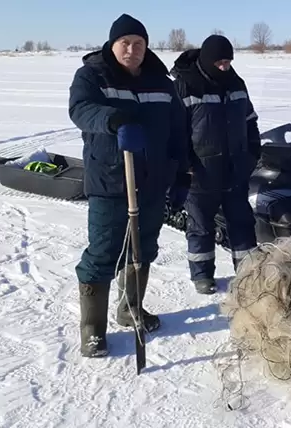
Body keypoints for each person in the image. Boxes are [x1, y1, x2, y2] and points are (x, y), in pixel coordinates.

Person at [67, 13, 190, 357]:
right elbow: (80, 109)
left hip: (152, 182)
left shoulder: (162, 83)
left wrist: (182, 173)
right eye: (125, 43)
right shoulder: (93, 75)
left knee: (142, 249)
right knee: (104, 252)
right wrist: (113, 118)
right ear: (113, 44)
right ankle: (92, 330)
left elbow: (179, 131)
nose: (132, 50)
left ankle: (130, 309)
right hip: (110, 180)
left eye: (138, 44)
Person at [169, 35, 261, 295]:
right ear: (208, 60)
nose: (224, 67)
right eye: (220, 62)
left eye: (228, 62)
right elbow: (174, 131)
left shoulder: (236, 83)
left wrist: (252, 152)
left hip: (235, 170)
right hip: (199, 172)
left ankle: (248, 273)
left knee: (242, 222)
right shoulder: (185, 86)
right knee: (201, 226)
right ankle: (202, 275)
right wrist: (184, 165)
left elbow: (250, 120)